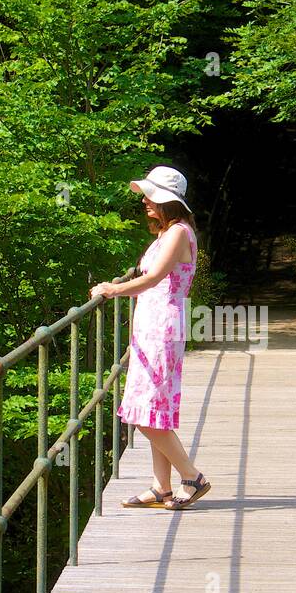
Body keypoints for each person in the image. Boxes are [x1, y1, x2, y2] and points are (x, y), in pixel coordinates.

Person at [90, 166, 212, 511]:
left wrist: (112, 289)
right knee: (155, 410)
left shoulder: (177, 233)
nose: (144, 201)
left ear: (166, 201)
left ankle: (193, 476)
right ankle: (162, 486)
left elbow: (154, 278)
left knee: (143, 412)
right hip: (153, 329)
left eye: (150, 195)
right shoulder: (168, 233)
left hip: (162, 330)